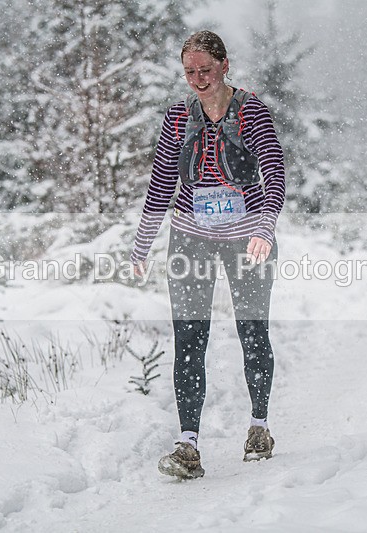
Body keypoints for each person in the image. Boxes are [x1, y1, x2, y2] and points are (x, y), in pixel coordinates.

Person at [130, 30, 286, 479]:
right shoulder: (178, 117)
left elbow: (274, 174)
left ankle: (258, 426)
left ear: (224, 65)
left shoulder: (251, 111)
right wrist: (143, 241)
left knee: (252, 331)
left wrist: (264, 228)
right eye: (190, 71)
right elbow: (162, 183)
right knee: (189, 338)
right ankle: (187, 446)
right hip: (191, 235)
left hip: (247, 236)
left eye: (205, 69)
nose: (198, 79)